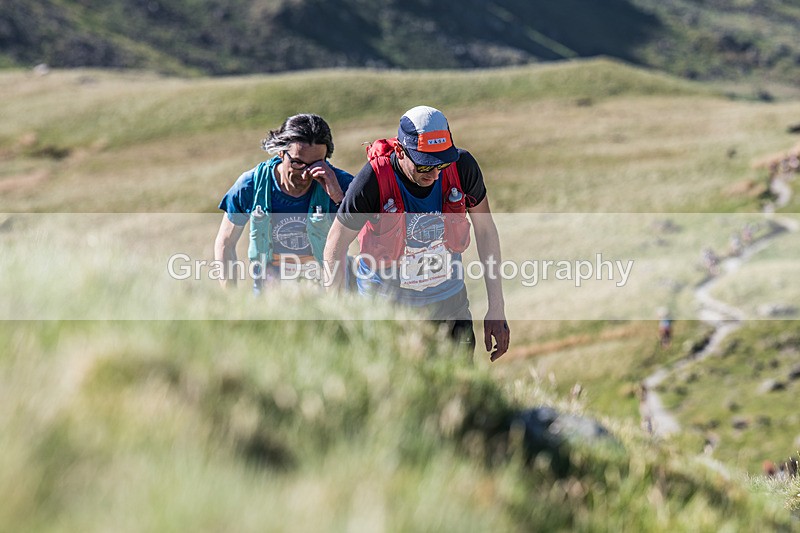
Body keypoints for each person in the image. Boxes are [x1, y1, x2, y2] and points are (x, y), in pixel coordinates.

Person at [323, 105, 510, 361]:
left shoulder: (462, 167)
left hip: (449, 305)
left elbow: (486, 230)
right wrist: (337, 317)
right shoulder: (373, 180)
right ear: (401, 151)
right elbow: (335, 245)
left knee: (459, 382)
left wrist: (497, 308)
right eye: (425, 166)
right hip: (386, 311)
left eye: (442, 163)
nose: (435, 175)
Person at [214, 114, 353, 291]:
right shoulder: (251, 185)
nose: (305, 174)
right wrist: (231, 298)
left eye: (316, 164)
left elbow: (371, 234)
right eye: (297, 163)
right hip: (269, 295)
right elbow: (225, 243)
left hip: (326, 293)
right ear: (281, 152)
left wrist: (339, 198)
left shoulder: (342, 184)